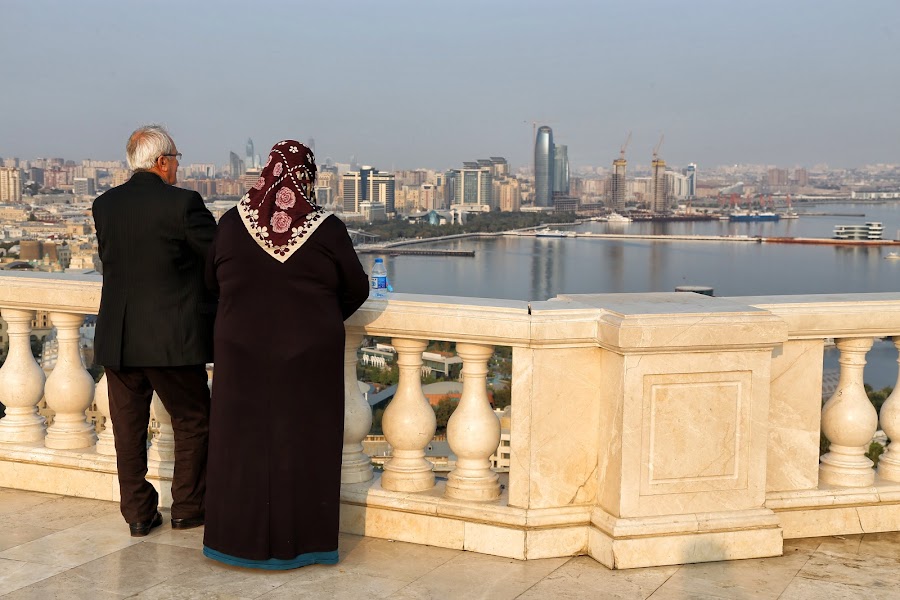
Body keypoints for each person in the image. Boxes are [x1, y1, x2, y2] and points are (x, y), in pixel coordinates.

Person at [203, 140, 368, 569]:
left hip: (239, 354)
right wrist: (319, 318)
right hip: (308, 357)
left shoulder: (231, 223)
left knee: (240, 447)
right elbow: (356, 287)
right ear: (306, 179)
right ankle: (304, 545)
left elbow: (211, 281)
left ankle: (233, 542)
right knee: (304, 446)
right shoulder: (326, 228)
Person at [93, 124, 216, 537]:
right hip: (172, 337)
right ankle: (187, 507)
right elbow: (215, 258)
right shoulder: (184, 204)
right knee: (194, 419)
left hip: (118, 337)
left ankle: (139, 514)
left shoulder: (104, 205)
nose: (178, 166)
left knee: (126, 431)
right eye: (177, 158)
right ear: (162, 162)